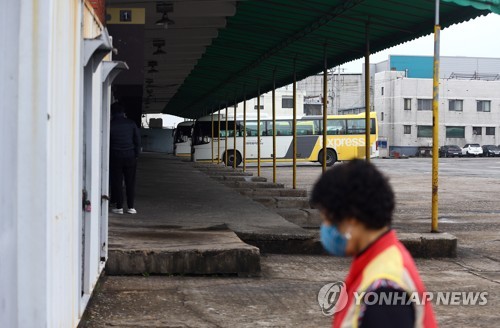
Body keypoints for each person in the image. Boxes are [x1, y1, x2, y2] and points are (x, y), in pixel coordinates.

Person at [310, 160, 437, 328]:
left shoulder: (383, 290)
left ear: (351, 220)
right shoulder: (382, 258)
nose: (325, 228)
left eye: (327, 219)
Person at [109, 102, 141, 214]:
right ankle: (131, 207)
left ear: (112, 113)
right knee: (130, 182)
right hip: (130, 156)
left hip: (115, 156)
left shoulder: (110, 124)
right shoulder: (131, 123)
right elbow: (137, 140)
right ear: (123, 113)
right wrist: (136, 154)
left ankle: (119, 207)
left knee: (117, 182)